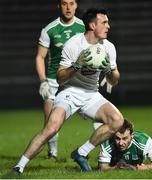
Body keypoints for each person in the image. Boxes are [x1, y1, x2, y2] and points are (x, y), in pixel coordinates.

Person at [13, 8, 124, 174]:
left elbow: (114, 79)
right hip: (69, 92)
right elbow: (60, 78)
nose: (108, 26)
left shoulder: (109, 47)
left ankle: (81, 153)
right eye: (104, 22)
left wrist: (110, 71)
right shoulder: (74, 44)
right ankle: (18, 167)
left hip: (91, 94)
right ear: (93, 25)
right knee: (51, 128)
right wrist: (76, 65)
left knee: (117, 120)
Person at [36, 0, 85, 159]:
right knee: (50, 118)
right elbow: (40, 56)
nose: (68, 7)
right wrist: (43, 81)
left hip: (78, 79)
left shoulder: (84, 26)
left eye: (72, 3)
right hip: (53, 80)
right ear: (59, 6)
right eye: (64, 3)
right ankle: (53, 154)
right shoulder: (49, 29)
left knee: (98, 114)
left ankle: (89, 153)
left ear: (76, 5)